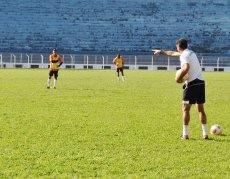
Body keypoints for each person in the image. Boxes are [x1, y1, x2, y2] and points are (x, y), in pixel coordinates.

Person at [152, 38, 208, 140]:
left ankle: (185, 134)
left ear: (178, 47)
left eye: (176, 47)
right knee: (200, 110)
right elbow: (173, 53)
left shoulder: (184, 56)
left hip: (191, 84)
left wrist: (178, 78)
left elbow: (186, 68)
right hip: (201, 82)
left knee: (185, 109)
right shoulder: (190, 53)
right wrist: (162, 51)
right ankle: (205, 134)